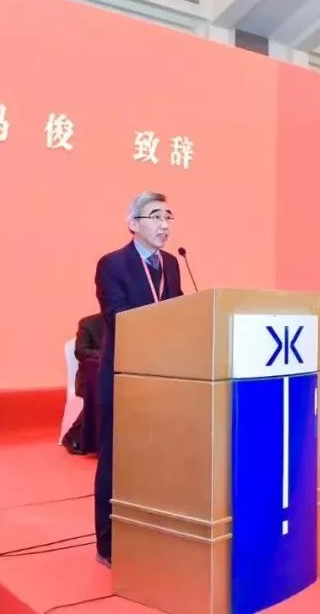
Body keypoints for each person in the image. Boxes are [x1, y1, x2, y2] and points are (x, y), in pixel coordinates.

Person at [93, 192, 183, 566]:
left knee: (156, 459)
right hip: (124, 376)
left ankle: (150, 532)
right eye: (156, 216)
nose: (164, 224)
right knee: (118, 461)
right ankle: (109, 544)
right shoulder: (112, 264)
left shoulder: (171, 264)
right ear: (134, 224)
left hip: (162, 376)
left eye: (169, 217)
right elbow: (119, 316)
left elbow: (180, 310)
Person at [62, 313, 103, 455]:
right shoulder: (88, 323)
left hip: (119, 375)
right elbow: (81, 351)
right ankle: (73, 436)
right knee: (104, 393)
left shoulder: (127, 322)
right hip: (89, 378)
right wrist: (107, 354)